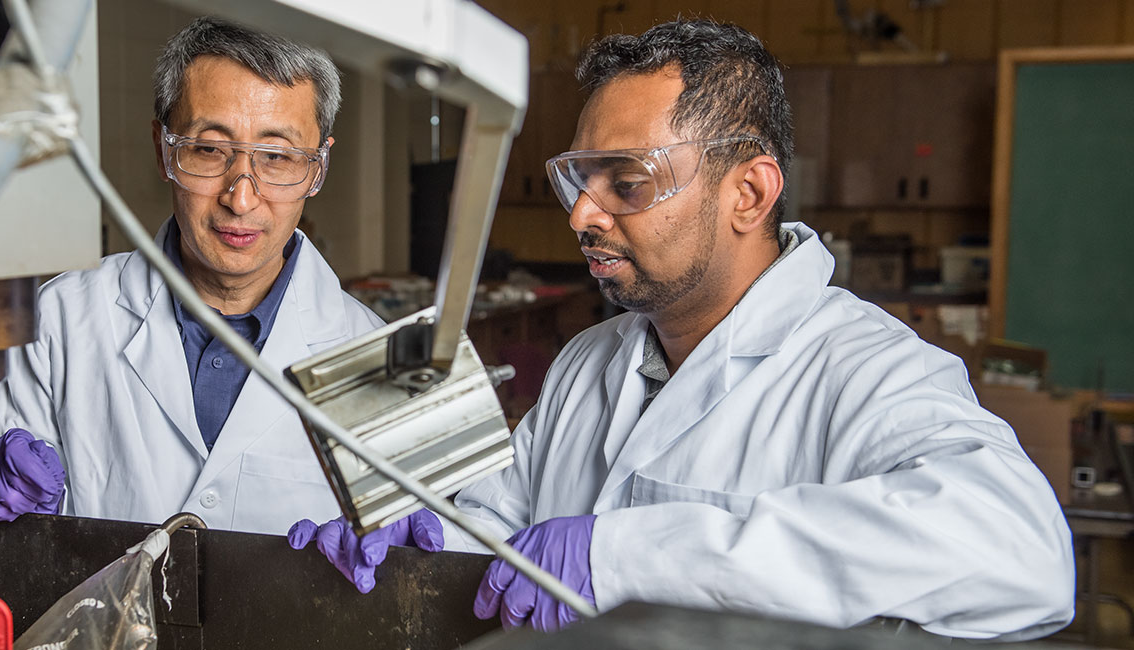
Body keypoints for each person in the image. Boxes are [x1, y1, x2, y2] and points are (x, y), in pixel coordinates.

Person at [292, 19, 1074, 641]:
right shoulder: (589, 359)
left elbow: (1020, 554)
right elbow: (507, 523)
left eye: (625, 182)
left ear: (749, 192)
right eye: (581, 179)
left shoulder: (863, 369)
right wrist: (427, 538)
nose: (581, 214)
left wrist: (632, 559)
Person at [0, 16, 385, 535]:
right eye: (209, 150)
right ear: (164, 149)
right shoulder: (60, 320)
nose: (242, 197)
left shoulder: (377, 356)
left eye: (277, 157)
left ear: (318, 166)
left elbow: (452, 542)